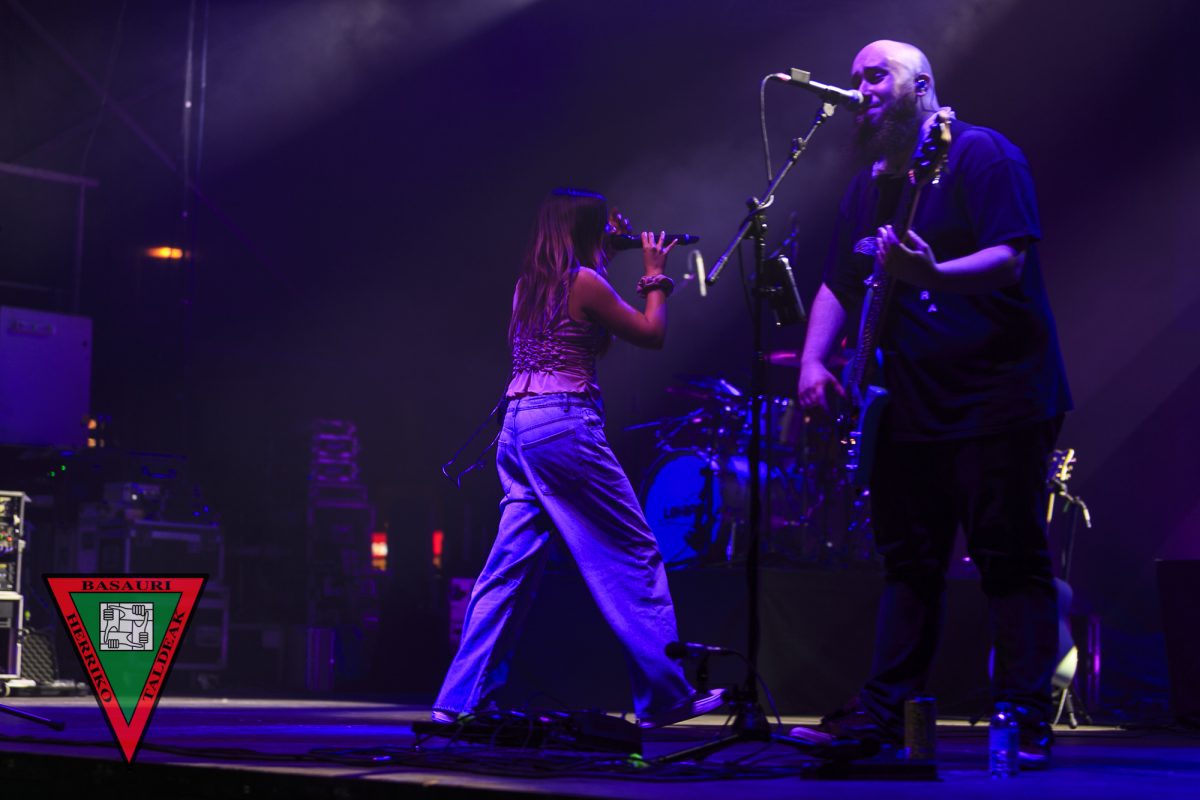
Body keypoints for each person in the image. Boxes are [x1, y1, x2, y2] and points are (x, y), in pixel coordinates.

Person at [791, 41, 1072, 766]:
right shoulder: (872, 186)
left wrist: (932, 273)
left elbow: (1009, 258)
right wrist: (814, 361)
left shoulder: (982, 155)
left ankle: (1023, 716)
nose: (861, 88)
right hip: (910, 404)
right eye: (854, 78)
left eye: (875, 75)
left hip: (998, 394)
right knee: (909, 562)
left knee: (1008, 558)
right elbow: (839, 281)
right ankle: (884, 714)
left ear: (921, 86)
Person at [432, 187, 724, 728]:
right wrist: (655, 277)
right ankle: (666, 696)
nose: (617, 227)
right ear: (587, 229)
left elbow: (582, 325)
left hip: (517, 429)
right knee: (633, 553)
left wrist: (606, 254)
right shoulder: (585, 282)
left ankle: (457, 701)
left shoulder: (530, 286)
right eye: (606, 223)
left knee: (507, 570)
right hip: (563, 427)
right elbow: (651, 334)